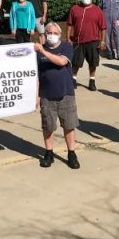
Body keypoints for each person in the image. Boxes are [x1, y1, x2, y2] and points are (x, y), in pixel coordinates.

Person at [34, 22, 79, 169]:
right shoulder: (39, 52)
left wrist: (43, 52)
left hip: (66, 93)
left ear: (60, 35)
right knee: (48, 126)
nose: (51, 35)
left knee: (69, 125)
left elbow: (61, 62)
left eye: (54, 33)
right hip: (47, 95)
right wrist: (36, 95)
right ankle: (49, 153)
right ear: (45, 34)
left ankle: (71, 153)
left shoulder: (66, 47)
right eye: (48, 33)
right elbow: (37, 75)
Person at [66, 0, 106, 91]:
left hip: (93, 42)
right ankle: (73, 79)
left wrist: (102, 41)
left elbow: (103, 28)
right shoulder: (75, 9)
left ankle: (92, 81)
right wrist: (67, 38)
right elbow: (69, 24)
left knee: (93, 63)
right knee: (76, 63)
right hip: (78, 42)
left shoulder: (97, 10)